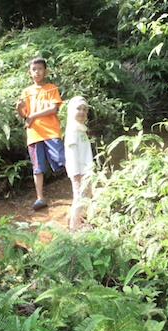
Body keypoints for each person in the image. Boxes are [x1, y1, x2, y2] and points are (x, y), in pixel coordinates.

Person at [16, 57, 65, 210]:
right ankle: (40, 198)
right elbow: (24, 114)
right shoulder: (26, 91)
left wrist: (33, 116)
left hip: (51, 131)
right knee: (37, 167)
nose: (37, 72)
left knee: (62, 159)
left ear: (46, 71)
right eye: (34, 70)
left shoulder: (51, 88)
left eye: (40, 69)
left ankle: (79, 189)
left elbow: (53, 109)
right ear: (29, 72)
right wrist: (19, 107)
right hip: (34, 134)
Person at [64, 96, 94, 231]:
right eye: (78, 109)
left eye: (84, 109)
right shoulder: (72, 130)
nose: (81, 112)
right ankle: (75, 227)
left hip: (86, 170)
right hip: (78, 172)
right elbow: (71, 153)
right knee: (79, 198)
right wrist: (75, 173)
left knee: (86, 197)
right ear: (71, 111)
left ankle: (78, 220)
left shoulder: (80, 128)